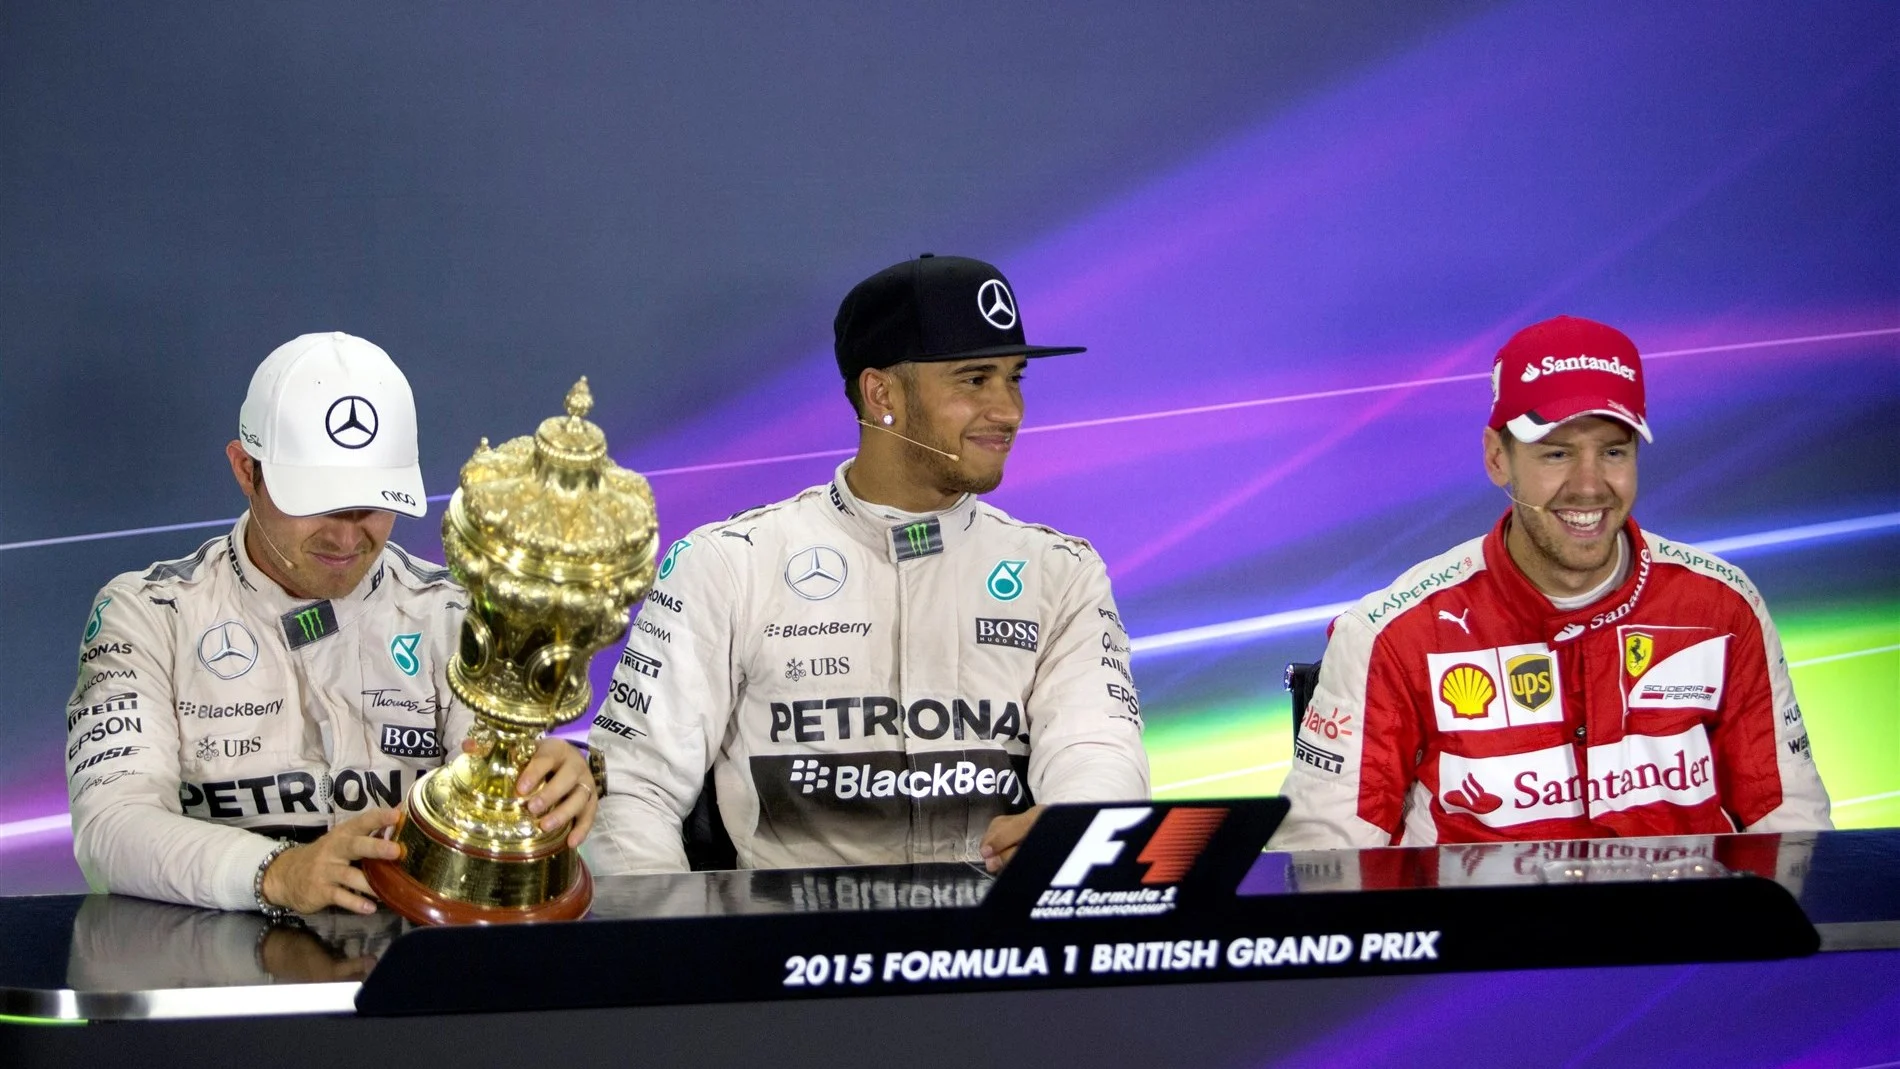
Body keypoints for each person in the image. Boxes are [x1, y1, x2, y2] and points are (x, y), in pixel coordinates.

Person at [587, 254, 1150, 874]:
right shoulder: (727, 563)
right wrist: (679, 953)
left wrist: (1082, 827)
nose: (1009, 410)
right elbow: (632, 788)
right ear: (881, 393)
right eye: (974, 380)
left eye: (1014, 377)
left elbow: (1098, 752)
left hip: (995, 956)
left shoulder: (1061, 573)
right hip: (785, 960)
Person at [66, 332, 597, 915]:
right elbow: (111, 828)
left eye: (371, 505)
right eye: (318, 503)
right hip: (213, 975)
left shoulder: (458, 613)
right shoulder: (149, 613)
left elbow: (496, 780)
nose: (347, 538)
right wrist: (276, 873)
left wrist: (540, 784)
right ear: (246, 471)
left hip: (411, 968)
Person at [1272, 315, 1831, 848]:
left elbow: (1793, 836)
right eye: (1557, 453)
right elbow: (1323, 866)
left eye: (1614, 451)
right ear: (1497, 458)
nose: (1589, 487)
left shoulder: (1723, 607)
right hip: (1485, 946)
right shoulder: (1393, 636)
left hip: (1681, 943)